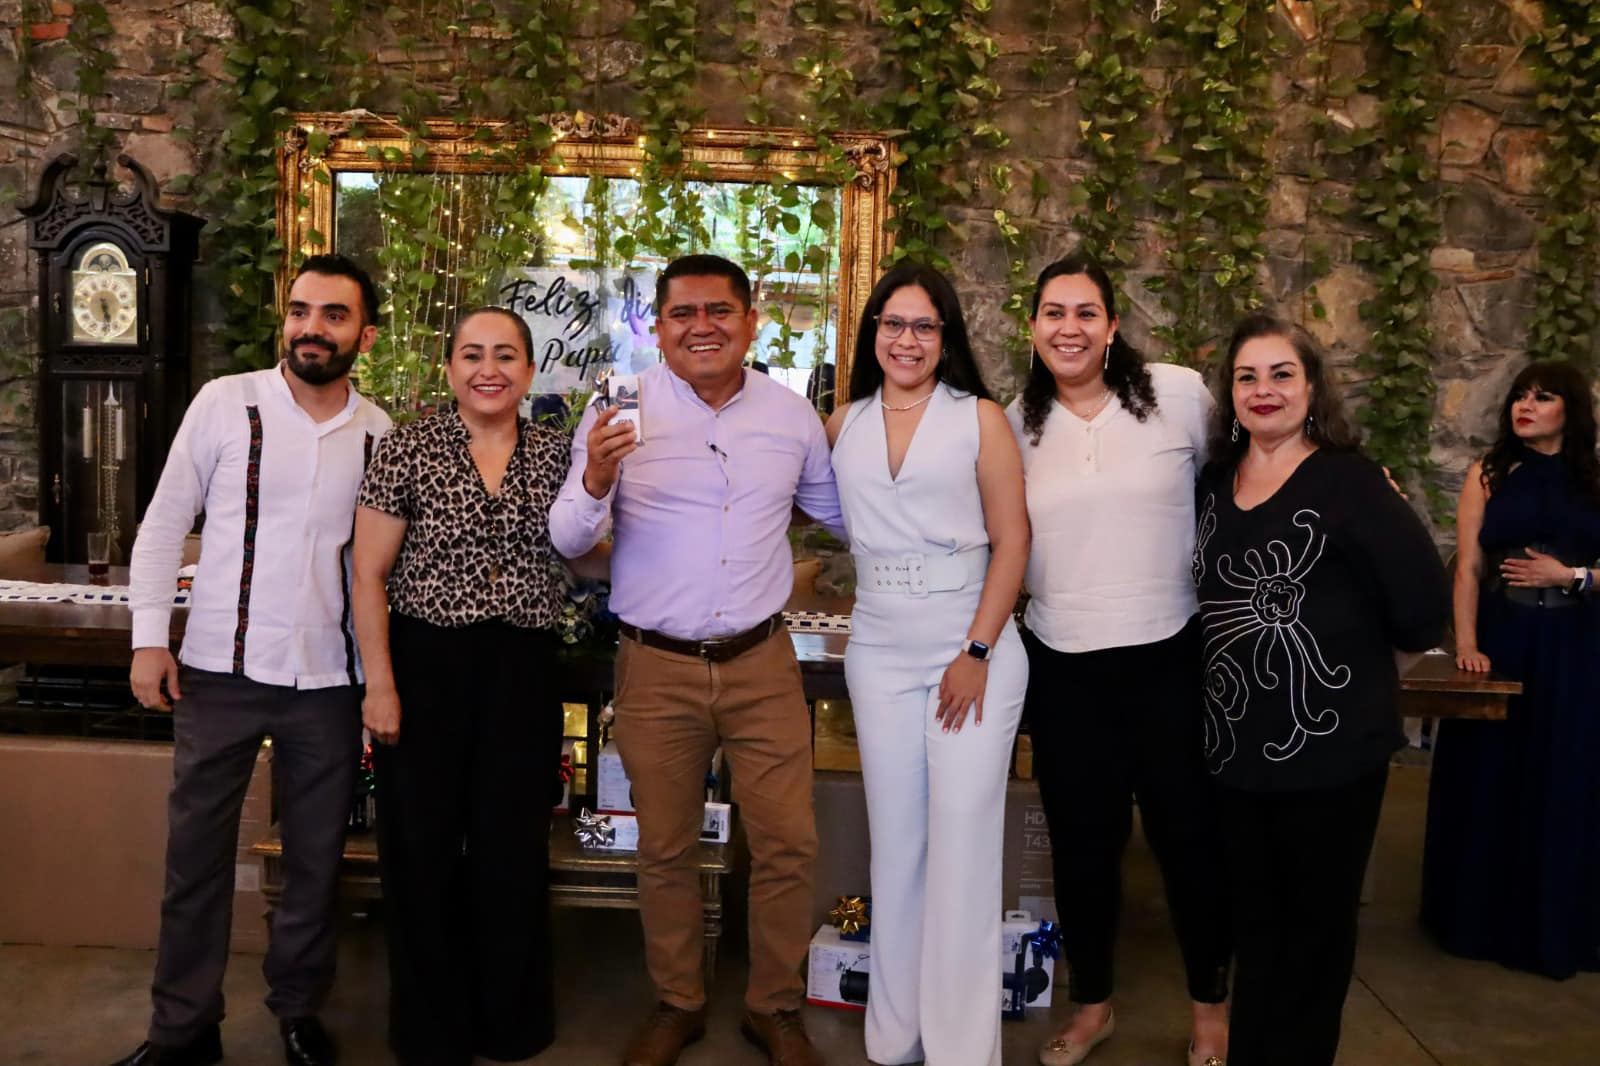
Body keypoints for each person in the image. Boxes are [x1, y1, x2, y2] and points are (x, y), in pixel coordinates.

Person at [548, 254, 846, 1066]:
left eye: (720, 310)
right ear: (659, 326)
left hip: (761, 663)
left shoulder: (790, 418)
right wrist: (599, 474)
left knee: (788, 844)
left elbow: (841, 513)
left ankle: (774, 1007)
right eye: (683, 313)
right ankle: (678, 1001)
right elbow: (569, 539)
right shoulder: (619, 412)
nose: (702, 326)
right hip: (656, 667)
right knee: (666, 846)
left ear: (751, 321)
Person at [115, 254, 394, 1066]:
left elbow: (377, 567)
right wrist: (147, 639)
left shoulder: (379, 434)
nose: (312, 327)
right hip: (217, 672)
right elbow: (164, 524)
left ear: (363, 335)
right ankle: (181, 1029)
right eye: (301, 310)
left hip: (328, 687)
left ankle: (299, 1013)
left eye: (334, 315)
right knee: (194, 860)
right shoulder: (224, 403)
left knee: (314, 864)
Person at [1192, 314, 1448, 1066]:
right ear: (1229, 393)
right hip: (1235, 756)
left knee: (1315, 943)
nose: (1263, 390)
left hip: (1332, 762)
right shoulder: (1215, 482)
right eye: (1247, 376)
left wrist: (1359, 680)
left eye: (1281, 374)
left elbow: (1424, 607)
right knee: (1257, 936)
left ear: (1312, 388)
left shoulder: (1351, 481)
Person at [352, 307, 605, 1065]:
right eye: (472, 354)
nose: (488, 368)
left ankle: (512, 1022)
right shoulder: (408, 448)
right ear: (450, 367)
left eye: (505, 355)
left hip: (523, 670)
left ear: (529, 371)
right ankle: (430, 1030)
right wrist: (380, 685)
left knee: (512, 848)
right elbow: (367, 573)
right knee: (421, 850)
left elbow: (588, 558)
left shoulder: (562, 455)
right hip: (425, 665)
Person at [1007, 252, 1230, 1066]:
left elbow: (1235, 480)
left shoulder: (1175, 394)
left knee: (1188, 843)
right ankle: (1092, 1003)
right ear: (1031, 328)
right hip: (1063, 664)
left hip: (1171, 652)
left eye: (1086, 313)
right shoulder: (1014, 423)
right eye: (1054, 313)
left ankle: (1211, 1010)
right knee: (1083, 848)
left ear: (1112, 326)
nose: (1069, 327)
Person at [825, 263, 1029, 1066]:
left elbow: (1014, 539)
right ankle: (894, 1038)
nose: (906, 340)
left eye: (923, 326)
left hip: (968, 642)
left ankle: (959, 1050)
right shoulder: (841, 424)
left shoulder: (978, 418)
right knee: (896, 844)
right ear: (872, 332)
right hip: (876, 646)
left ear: (946, 339)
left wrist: (976, 649)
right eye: (892, 324)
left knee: (963, 843)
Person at [1422, 361, 1600, 979]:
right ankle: (1476, 920)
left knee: (1566, 776)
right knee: (1493, 772)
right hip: (1506, 637)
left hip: (1579, 642)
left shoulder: (1594, 476)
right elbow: (1468, 566)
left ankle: (1561, 925)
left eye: (1543, 396)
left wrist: (1574, 576)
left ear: (1568, 409)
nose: (1526, 405)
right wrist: (1467, 643)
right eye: (1520, 396)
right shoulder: (1491, 471)